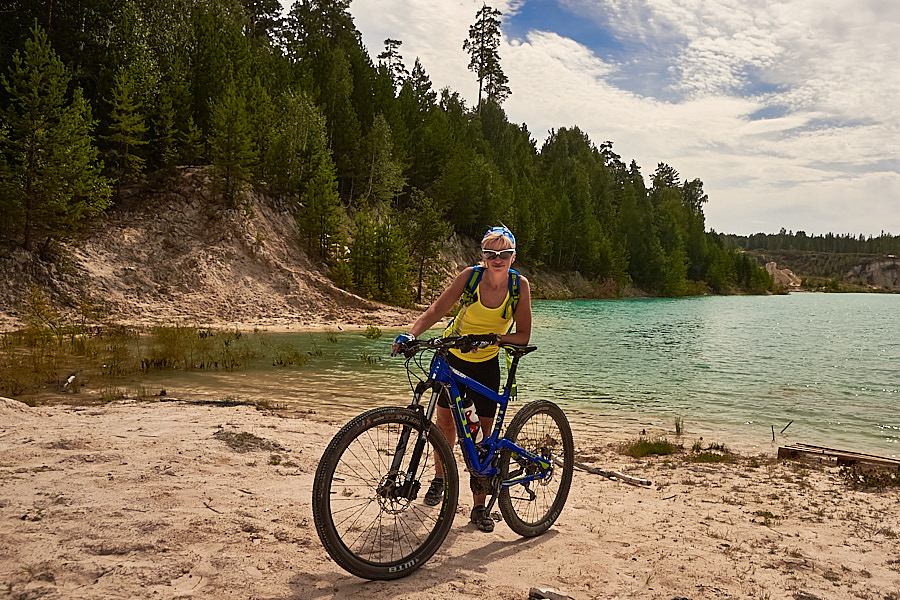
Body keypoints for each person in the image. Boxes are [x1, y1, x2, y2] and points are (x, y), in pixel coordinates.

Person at [391, 225, 532, 532]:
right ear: (482, 255)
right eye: (491, 253)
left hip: (486, 365)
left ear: (513, 256)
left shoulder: (519, 286)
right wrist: (412, 334)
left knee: (480, 439)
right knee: (445, 426)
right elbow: (437, 309)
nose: (497, 259)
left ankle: (479, 508)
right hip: (453, 357)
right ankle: (440, 479)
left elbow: (523, 335)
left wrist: (493, 339)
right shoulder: (470, 277)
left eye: (504, 254)